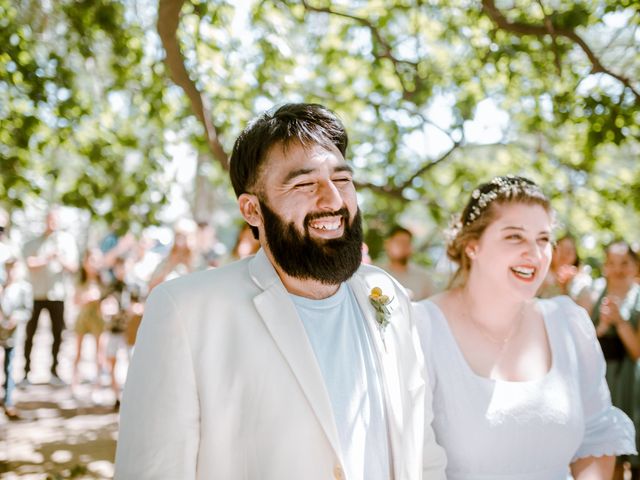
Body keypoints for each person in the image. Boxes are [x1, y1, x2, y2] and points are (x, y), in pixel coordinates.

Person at [115, 103, 446, 479]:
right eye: (305, 184)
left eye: (342, 180)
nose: (334, 201)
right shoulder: (186, 311)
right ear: (252, 210)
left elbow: (421, 451)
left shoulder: (388, 295)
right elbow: (152, 470)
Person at [414, 175, 636, 480]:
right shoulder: (422, 328)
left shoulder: (568, 322)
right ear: (472, 245)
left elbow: (596, 435)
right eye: (515, 236)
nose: (535, 253)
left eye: (543, 239)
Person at [585, 240, 640, 479]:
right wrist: (603, 325)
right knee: (608, 452)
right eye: (612, 264)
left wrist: (619, 322)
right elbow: (587, 344)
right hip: (604, 383)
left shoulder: (638, 299)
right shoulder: (597, 295)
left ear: (635, 266)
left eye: (624, 263)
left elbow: (637, 351)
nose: (618, 270)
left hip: (631, 384)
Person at [22, 208, 78, 384]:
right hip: (36, 295)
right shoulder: (33, 243)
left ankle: (54, 371)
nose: (52, 224)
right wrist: (46, 258)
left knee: (57, 334)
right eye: (49, 220)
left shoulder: (67, 242)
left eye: (55, 220)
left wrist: (59, 258)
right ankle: (26, 372)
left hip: (58, 296)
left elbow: (74, 267)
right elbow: (29, 264)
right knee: (30, 334)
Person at [1, 256, 32, 419]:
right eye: (8, 268)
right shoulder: (1, 286)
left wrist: (15, 319)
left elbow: (27, 310)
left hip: (12, 335)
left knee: (9, 367)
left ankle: (8, 401)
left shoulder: (24, 288)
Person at [72, 248, 106, 391]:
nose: (93, 264)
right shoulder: (80, 280)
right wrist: (86, 298)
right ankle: (74, 384)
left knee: (99, 354)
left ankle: (97, 386)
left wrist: (99, 299)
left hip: (99, 319)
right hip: (83, 318)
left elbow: (108, 299)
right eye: (91, 260)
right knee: (78, 352)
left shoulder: (103, 280)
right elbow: (75, 300)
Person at [378, 225, 436, 300]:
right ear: (387, 244)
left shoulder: (423, 278)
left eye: (406, 243)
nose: (403, 246)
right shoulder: (376, 273)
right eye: (399, 242)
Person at [538, 234, 592, 302]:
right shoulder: (540, 272)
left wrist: (565, 287)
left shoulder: (580, 283)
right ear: (553, 251)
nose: (565, 254)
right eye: (562, 249)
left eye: (569, 251)